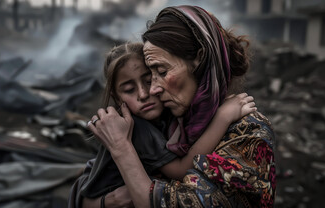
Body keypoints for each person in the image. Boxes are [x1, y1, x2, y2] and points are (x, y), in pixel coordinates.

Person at [88, 6, 276, 207]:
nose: (151, 91)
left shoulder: (248, 132)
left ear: (199, 60)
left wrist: (121, 149)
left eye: (161, 71)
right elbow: (89, 181)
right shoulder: (171, 121)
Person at [68, 43, 257, 208]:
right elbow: (181, 170)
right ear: (118, 99)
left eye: (149, 81)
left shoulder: (168, 116)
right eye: (129, 90)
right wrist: (222, 118)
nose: (143, 94)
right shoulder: (138, 128)